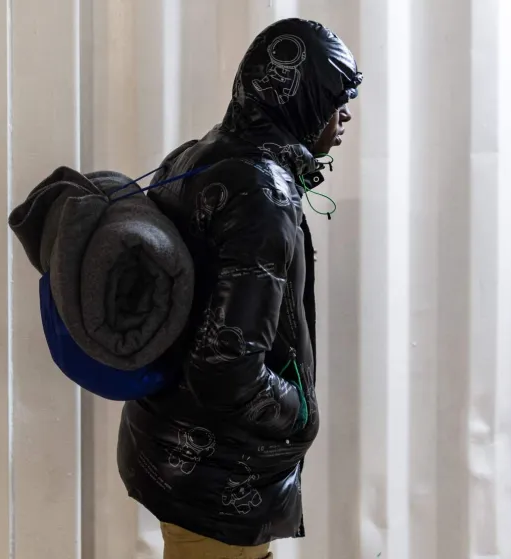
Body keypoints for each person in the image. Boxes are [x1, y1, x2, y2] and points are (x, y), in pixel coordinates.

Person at [116, 18, 362, 559]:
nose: (345, 113)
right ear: (297, 96)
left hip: (172, 449)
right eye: (334, 95)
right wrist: (300, 414)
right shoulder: (262, 192)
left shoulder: (197, 154)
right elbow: (226, 366)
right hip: (218, 483)